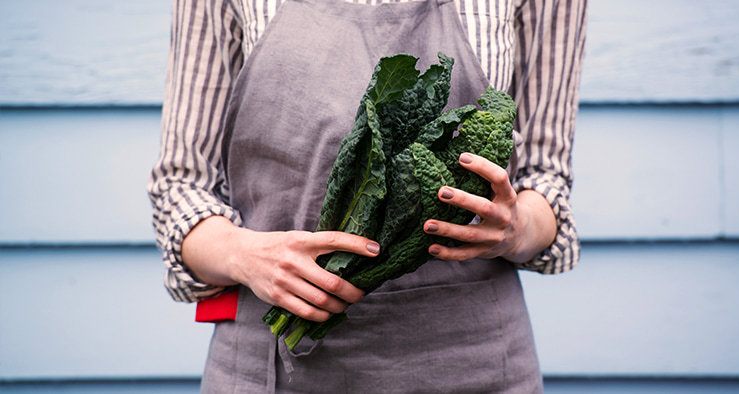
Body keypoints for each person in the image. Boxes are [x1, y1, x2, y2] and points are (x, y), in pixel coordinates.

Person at [147, 0, 586, 392]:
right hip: (270, 368)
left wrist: (517, 227)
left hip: (474, 360)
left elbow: (545, 179)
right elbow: (181, 187)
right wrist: (243, 254)